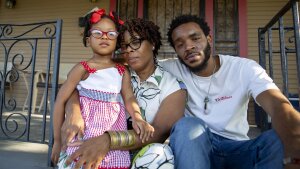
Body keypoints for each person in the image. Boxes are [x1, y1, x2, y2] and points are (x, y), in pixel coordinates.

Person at [159, 14, 300, 169]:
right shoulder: (169, 69)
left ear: (209, 39)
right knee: (186, 125)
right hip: (198, 148)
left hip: (239, 150)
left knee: (279, 137)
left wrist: (293, 140)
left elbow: (277, 105)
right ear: (176, 52)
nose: (188, 46)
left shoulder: (243, 68)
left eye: (195, 38)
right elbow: (137, 65)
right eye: (180, 44)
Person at [60, 18, 187, 169]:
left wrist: (108, 141)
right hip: (91, 145)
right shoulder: (116, 71)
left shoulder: (173, 87)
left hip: (138, 158)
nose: (129, 50)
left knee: (162, 153)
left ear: (152, 43)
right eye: (124, 46)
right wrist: (73, 110)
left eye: (135, 42)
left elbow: (157, 133)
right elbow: (73, 87)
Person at [51, 9, 155, 169]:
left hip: (111, 131)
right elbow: (60, 100)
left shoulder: (122, 71)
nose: (105, 37)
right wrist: (57, 140)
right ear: (88, 39)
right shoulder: (82, 68)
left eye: (111, 34)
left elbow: (129, 98)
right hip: (84, 132)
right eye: (98, 33)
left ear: (117, 40)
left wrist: (137, 118)